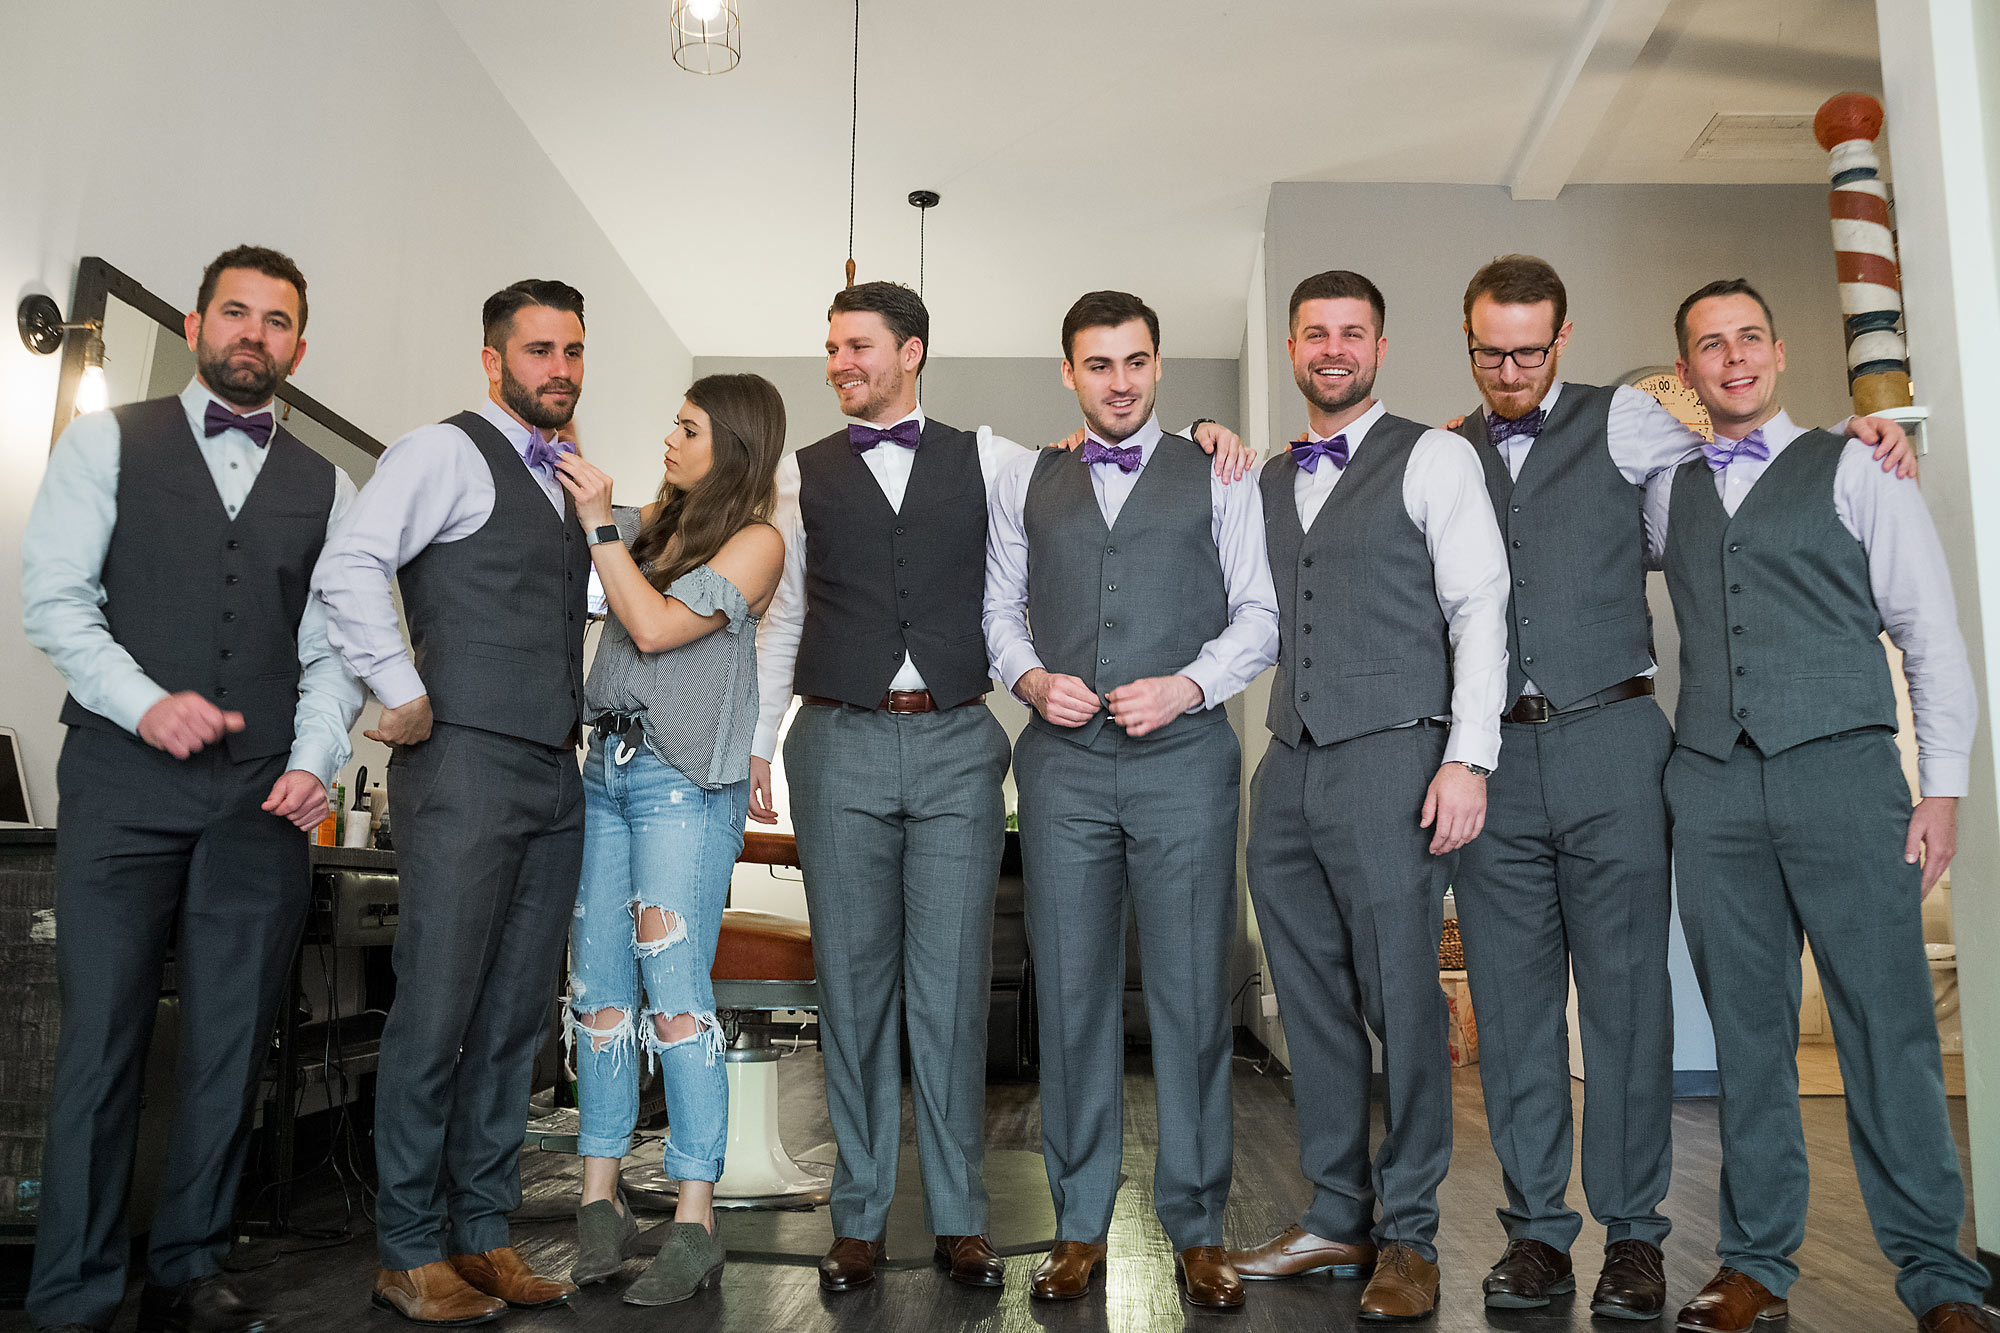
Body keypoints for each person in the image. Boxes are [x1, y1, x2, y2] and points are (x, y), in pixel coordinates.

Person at [749, 280, 1247, 1294]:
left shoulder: (999, 459)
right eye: (831, 347)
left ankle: (968, 1220)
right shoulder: (802, 479)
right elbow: (789, 620)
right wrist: (758, 745)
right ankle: (862, 1217)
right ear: (1069, 373)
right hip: (842, 740)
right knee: (859, 992)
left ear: (911, 351)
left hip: (960, 744)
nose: (839, 362)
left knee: (957, 993)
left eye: (858, 346)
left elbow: (1116, 476)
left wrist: (1209, 432)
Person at [1444, 255, 1911, 1319]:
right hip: (1491, 758)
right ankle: (1533, 1236)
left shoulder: (1628, 422)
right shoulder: (1440, 452)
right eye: (1489, 351)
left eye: (1528, 348)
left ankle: (1634, 1239)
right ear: (1465, 343)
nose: (1509, 368)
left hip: (1614, 738)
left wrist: (1857, 432)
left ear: (1560, 340)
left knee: (1624, 1004)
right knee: (1515, 1012)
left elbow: (1752, 444)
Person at [22, 244, 363, 1333]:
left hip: (259, 802)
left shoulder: (330, 485)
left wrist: (316, 757)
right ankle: (70, 1291)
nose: (252, 334)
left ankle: (189, 1267)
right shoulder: (103, 441)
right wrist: (144, 702)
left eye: (275, 322)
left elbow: (336, 646)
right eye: (236, 313)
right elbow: (58, 604)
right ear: (196, 321)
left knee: (230, 1040)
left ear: (297, 348)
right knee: (101, 1041)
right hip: (121, 783)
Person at [1658, 279, 1993, 1333]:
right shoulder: (1661, 485)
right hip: (1710, 783)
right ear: (1687, 372)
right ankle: (1753, 1261)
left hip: (1845, 780)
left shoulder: (1859, 466)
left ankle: (1938, 1277)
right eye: (1708, 346)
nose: (1733, 358)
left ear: (1780, 350)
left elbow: (1929, 636)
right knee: (1745, 1037)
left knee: (1885, 1030)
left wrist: (1940, 788)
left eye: (1747, 337)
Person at [983, 290, 1278, 1311]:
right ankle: (1077, 1227)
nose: (1118, 381)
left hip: (1184, 760)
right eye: (1098, 364)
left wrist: (1187, 684)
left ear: (1157, 365)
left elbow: (1257, 612)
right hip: (1060, 767)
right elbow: (997, 608)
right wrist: (1027, 678)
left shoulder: (1219, 470)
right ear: (1068, 372)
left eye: (1135, 361)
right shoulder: (1030, 477)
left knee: (1194, 995)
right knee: (1068, 995)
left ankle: (1196, 1228)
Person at [1225, 270, 1509, 1324]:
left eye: (1351, 333)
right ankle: (1337, 1211)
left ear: (1379, 348)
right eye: (1315, 332)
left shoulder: (1433, 456)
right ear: (1295, 348)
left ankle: (1412, 1234)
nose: (1331, 348)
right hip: (1287, 760)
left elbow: (1479, 605)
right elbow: (1257, 621)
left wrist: (1465, 758)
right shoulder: (1262, 479)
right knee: (1308, 1002)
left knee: (1401, 998)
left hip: (1396, 756)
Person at [314, 279, 591, 1326]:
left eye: (570, 349)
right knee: (436, 1009)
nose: (557, 368)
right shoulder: (440, 451)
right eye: (536, 350)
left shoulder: (570, 482)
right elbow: (350, 564)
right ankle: (408, 1248)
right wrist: (403, 689)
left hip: (550, 774)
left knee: (516, 1018)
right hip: (465, 762)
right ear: (491, 361)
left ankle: (482, 1232)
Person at [552, 375, 786, 1307]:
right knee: (599, 993)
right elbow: (578, 484)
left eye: (687, 428)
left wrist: (604, 524)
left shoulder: (757, 542)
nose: (669, 439)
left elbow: (647, 629)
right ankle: (598, 1203)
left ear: (730, 442)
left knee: (677, 996)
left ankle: (695, 1216)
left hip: (683, 784)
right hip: (603, 770)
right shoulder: (649, 524)